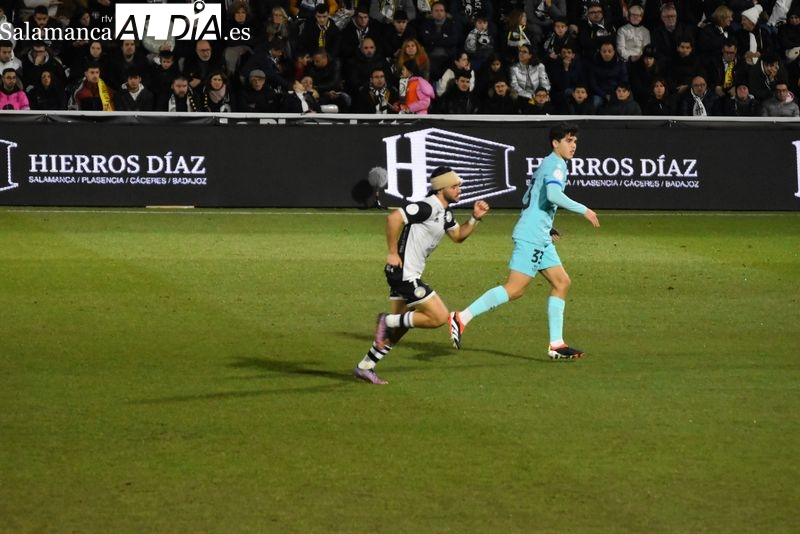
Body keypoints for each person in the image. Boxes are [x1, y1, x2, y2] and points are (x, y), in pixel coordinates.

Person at [449, 123, 599, 359]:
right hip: (531, 236)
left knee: (562, 282)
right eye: (569, 141)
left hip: (539, 235)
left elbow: (529, 197)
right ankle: (460, 318)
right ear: (555, 143)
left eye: (575, 141)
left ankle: (557, 345)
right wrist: (584, 210)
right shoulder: (556, 166)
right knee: (515, 288)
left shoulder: (549, 164)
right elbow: (552, 195)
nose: (573, 146)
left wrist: (546, 227)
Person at [354, 167, 491, 385]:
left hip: (404, 273)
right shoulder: (427, 207)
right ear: (440, 188)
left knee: (399, 329)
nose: (459, 190)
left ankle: (365, 366)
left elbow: (457, 236)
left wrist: (474, 218)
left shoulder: (444, 212)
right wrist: (392, 252)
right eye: (454, 186)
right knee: (438, 316)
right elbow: (393, 219)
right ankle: (385, 320)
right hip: (404, 273)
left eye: (459, 186)